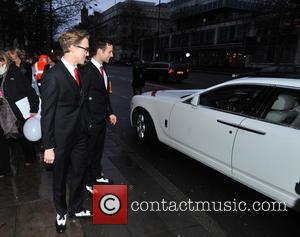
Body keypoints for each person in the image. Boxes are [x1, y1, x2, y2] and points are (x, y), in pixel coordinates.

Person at [41, 29, 91, 233]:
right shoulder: (53, 76)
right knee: (60, 178)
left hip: (80, 134)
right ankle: (61, 211)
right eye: (85, 49)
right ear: (71, 47)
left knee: (79, 173)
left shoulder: (81, 71)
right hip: (60, 138)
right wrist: (49, 146)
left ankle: (76, 208)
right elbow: (47, 114)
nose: (87, 53)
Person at [81, 38, 117, 195]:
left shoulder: (103, 69)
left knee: (98, 150)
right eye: (109, 51)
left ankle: (97, 175)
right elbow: (82, 98)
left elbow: (105, 94)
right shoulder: (87, 70)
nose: (112, 54)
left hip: (101, 119)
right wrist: (88, 122)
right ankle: (88, 182)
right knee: (89, 152)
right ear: (100, 51)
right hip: (91, 121)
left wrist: (110, 112)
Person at [0, 50, 39, 177]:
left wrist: (33, 108)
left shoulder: (15, 73)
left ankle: (30, 157)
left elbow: (30, 91)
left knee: (23, 136)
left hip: (17, 111)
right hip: (2, 112)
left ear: (4, 61)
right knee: (2, 141)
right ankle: (3, 169)